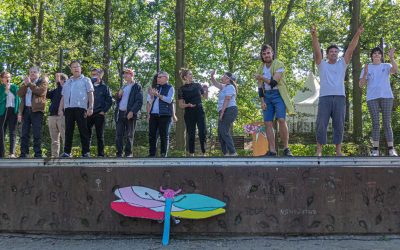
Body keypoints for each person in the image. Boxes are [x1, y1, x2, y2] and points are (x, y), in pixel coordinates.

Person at [311, 25, 364, 156]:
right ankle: (319, 150)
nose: (333, 53)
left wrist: (357, 33)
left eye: (336, 51)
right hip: (325, 98)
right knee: (321, 124)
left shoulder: (342, 63)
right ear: (327, 54)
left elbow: (351, 49)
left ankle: (338, 151)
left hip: (340, 98)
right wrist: (314, 36)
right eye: (331, 52)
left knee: (339, 125)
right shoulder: (322, 64)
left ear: (338, 54)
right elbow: (317, 51)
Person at [254, 44, 295, 157]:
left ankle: (286, 148)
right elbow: (259, 87)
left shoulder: (279, 64)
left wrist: (261, 77)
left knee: (281, 120)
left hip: (278, 94)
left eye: (268, 53)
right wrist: (262, 101)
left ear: (272, 53)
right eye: (264, 54)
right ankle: (272, 150)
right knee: (267, 123)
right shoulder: (260, 67)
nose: (266, 55)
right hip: (266, 96)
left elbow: (273, 83)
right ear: (262, 56)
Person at [359, 47, 398, 156]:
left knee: (387, 123)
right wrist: (366, 73)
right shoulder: (366, 67)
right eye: (374, 53)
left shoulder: (386, 66)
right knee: (375, 123)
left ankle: (391, 149)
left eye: (378, 53)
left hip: (387, 97)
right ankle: (375, 149)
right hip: (372, 98)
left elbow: (395, 70)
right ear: (371, 56)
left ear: (381, 56)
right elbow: (361, 85)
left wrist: (391, 57)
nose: (376, 55)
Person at [58, 60, 94, 157]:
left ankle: (86, 152)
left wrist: (90, 107)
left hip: (81, 108)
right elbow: (63, 96)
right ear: (71, 69)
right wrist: (60, 109)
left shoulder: (86, 80)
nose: (76, 69)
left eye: (77, 67)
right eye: (73, 67)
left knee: (83, 130)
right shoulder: (67, 82)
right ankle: (66, 152)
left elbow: (90, 93)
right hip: (68, 109)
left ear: (80, 68)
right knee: (68, 131)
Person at [17, 66, 48, 158]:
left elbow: (40, 92)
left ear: (38, 73)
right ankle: (24, 153)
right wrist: (26, 85)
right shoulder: (26, 83)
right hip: (26, 110)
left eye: (34, 72)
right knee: (24, 133)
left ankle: (38, 154)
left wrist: (30, 84)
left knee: (36, 133)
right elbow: (19, 94)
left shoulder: (42, 82)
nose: (32, 74)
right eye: (31, 72)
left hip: (37, 111)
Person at [114, 68, 143, 157]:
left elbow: (139, 101)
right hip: (120, 113)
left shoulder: (137, 86)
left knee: (129, 135)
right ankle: (119, 153)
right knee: (119, 134)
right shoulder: (123, 86)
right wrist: (118, 95)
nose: (125, 75)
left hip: (130, 113)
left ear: (131, 75)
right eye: (124, 74)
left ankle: (128, 154)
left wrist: (132, 111)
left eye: (127, 73)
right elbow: (118, 100)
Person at [178, 68, 207, 156]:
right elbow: (181, 105)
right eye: (190, 74)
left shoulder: (198, 85)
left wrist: (206, 89)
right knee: (191, 133)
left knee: (202, 131)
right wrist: (188, 105)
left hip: (199, 110)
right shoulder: (181, 89)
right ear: (185, 77)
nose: (192, 75)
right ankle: (191, 154)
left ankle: (203, 153)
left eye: (192, 74)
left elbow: (205, 97)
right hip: (189, 112)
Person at [210, 70, 238, 156]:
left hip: (229, 110)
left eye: (223, 76)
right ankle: (225, 153)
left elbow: (227, 99)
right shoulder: (224, 86)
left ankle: (233, 152)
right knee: (220, 132)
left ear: (227, 79)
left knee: (224, 131)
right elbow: (215, 83)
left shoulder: (230, 87)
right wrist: (212, 76)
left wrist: (222, 113)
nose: (221, 77)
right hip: (224, 110)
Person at [148, 71, 174, 157]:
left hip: (165, 115)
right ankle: (152, 154)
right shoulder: (155, 87)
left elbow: (169, 100)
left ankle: (163, 154)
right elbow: (150, 101)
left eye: (160, 77)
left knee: (164, 135)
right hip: (153, 114)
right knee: (152, 135)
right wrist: (151, 95)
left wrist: (158, 95)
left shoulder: (170, 88)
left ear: (166, 78)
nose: (157, 79)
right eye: (157, 77)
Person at [87, 68, 112, 157]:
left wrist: (103, 111)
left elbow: (109, 101)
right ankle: (86, 153)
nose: (94, 76)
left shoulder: (105, 87)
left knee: (100, 135)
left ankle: (101, 154)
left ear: (100, 75)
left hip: (99, 114)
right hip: (89, 113)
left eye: (95, 74)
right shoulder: (88, 86)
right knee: (87, 134)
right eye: (92, 74)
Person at [46, 73, 68, 158]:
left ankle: (67, 154)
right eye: (61, 80)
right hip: (52, 116)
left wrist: (58, 82)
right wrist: (46, 83)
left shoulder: (67, 90)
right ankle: (54, 156)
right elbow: (47, 94)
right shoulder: (55, 90)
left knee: (65, 137)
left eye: (64, 80)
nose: (62, 82)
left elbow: (61, 90)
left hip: (62, 116)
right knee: (54, 139)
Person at [0, 71, 20, 158]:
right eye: (5, 77)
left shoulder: (15, 87)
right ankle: (1, 153)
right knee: (2, 132)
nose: (7, 78)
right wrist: (5, 91)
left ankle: (12, 153)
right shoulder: (1, 88)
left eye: (9, 77)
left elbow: (18, 100)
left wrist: (19, 112)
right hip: (3, 111)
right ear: (2, 79)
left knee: (12, 132)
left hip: (13, 111)